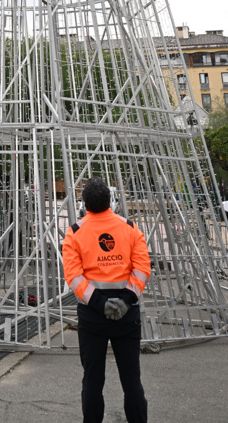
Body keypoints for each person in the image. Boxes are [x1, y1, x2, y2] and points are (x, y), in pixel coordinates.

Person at [62, 177, 150, 423]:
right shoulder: (130, 228)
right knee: (132, 380)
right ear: (110, 201)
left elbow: (74, 276)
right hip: (127, 314)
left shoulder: (75, 232)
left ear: (84, 203)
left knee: (92, 380)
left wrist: (100, 303)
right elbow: (142, 267)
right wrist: (126, 299)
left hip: (92, 317)